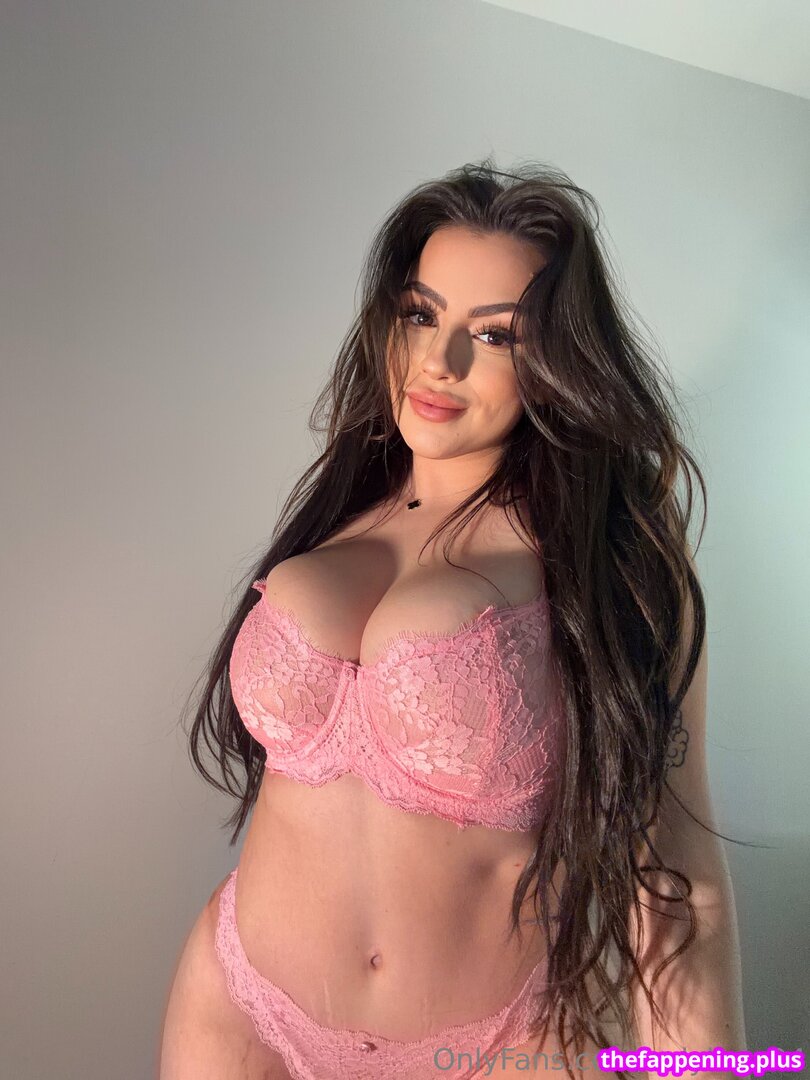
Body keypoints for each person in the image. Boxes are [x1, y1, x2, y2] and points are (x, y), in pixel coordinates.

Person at [158, 160, 746, 1079]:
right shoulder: (339, 510)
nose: (442, 361)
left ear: (556, 363)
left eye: (496, 335)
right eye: (421, 315)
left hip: (505, 1047)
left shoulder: (612, 558)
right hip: (242, 1007)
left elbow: (674, 884)